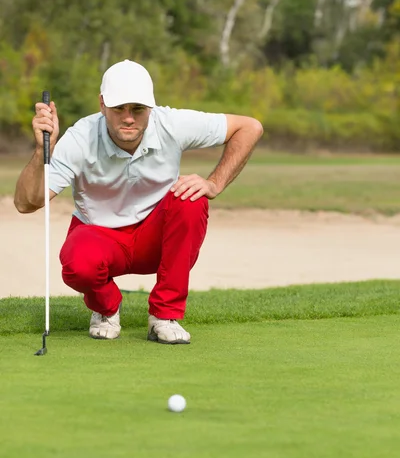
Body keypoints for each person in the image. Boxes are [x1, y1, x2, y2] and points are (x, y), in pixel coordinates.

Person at [14, 60, 263, 344]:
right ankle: (106, 307)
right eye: (119, 108)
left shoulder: (171, 123)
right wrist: (40, 151)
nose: (128, 118)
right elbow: (26, 203)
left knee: (192, 199)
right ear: (102, 104)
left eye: (137, 109)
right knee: (77, 263)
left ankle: (165, 316)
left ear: (151, 108)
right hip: (100, 237)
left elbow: (250, 128)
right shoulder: (80, 137)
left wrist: (214, 182)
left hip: (154, 237)